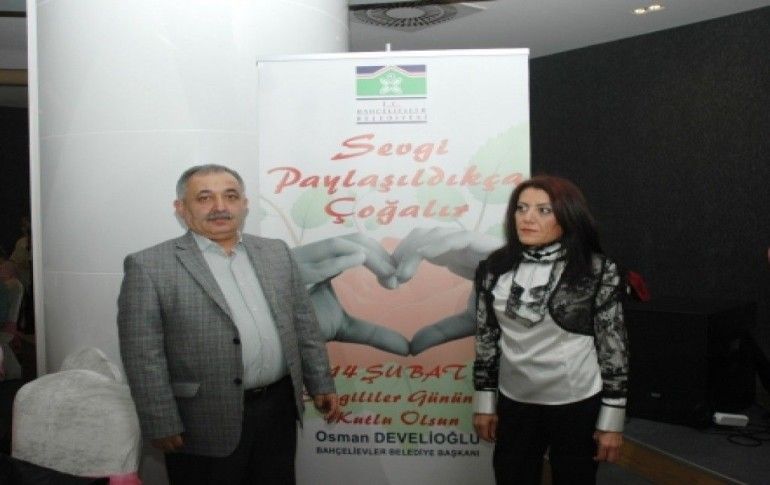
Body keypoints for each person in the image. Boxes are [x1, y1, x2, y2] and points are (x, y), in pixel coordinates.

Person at [117, 164, 341, 485]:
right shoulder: (150, 266)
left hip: (277, 410)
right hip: (202, 420)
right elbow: (142, 354)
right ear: (181, 208)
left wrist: (320, 383)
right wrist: (160, 420)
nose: (220, 207)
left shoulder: (275, 252)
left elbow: (304, 324)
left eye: (231, 196)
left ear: (244, 204)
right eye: (204, 198)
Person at [471, 175, 628, 484]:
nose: (527, 218)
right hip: (515, 400)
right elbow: (486, 338)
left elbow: (613, 345)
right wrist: (484, 403)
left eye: (543, 210)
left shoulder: (597, 270)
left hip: (576, 400)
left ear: (567, 216)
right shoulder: (494, 267)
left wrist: (612, 421)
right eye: (521, 208)